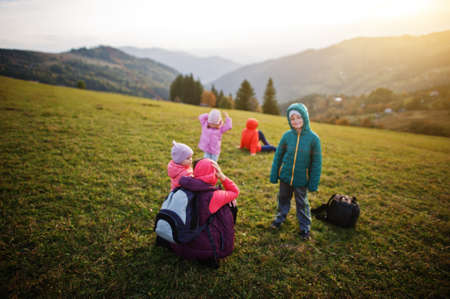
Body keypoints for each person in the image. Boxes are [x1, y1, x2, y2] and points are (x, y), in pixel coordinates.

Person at [170, 158, 239, 268]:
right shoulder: (214, 196)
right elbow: (235, 191)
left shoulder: (184, 186)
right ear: (214, 173)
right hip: (203, 248)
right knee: (230, 204)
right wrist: (222, 176)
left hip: (179, 239)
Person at [269, 103, 322, 240]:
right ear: (289, 120)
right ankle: (280, 218)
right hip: (285, 176)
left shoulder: (313, 139)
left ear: (305, 117)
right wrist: (275, 174)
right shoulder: (287, 136)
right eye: (292, 118)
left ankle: (305, 228)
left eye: (299, 117)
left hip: (301, 180)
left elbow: (316, 163)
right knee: (283, 198)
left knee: (302, 203)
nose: (295, 121)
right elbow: (278, 156)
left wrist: (313, 183)